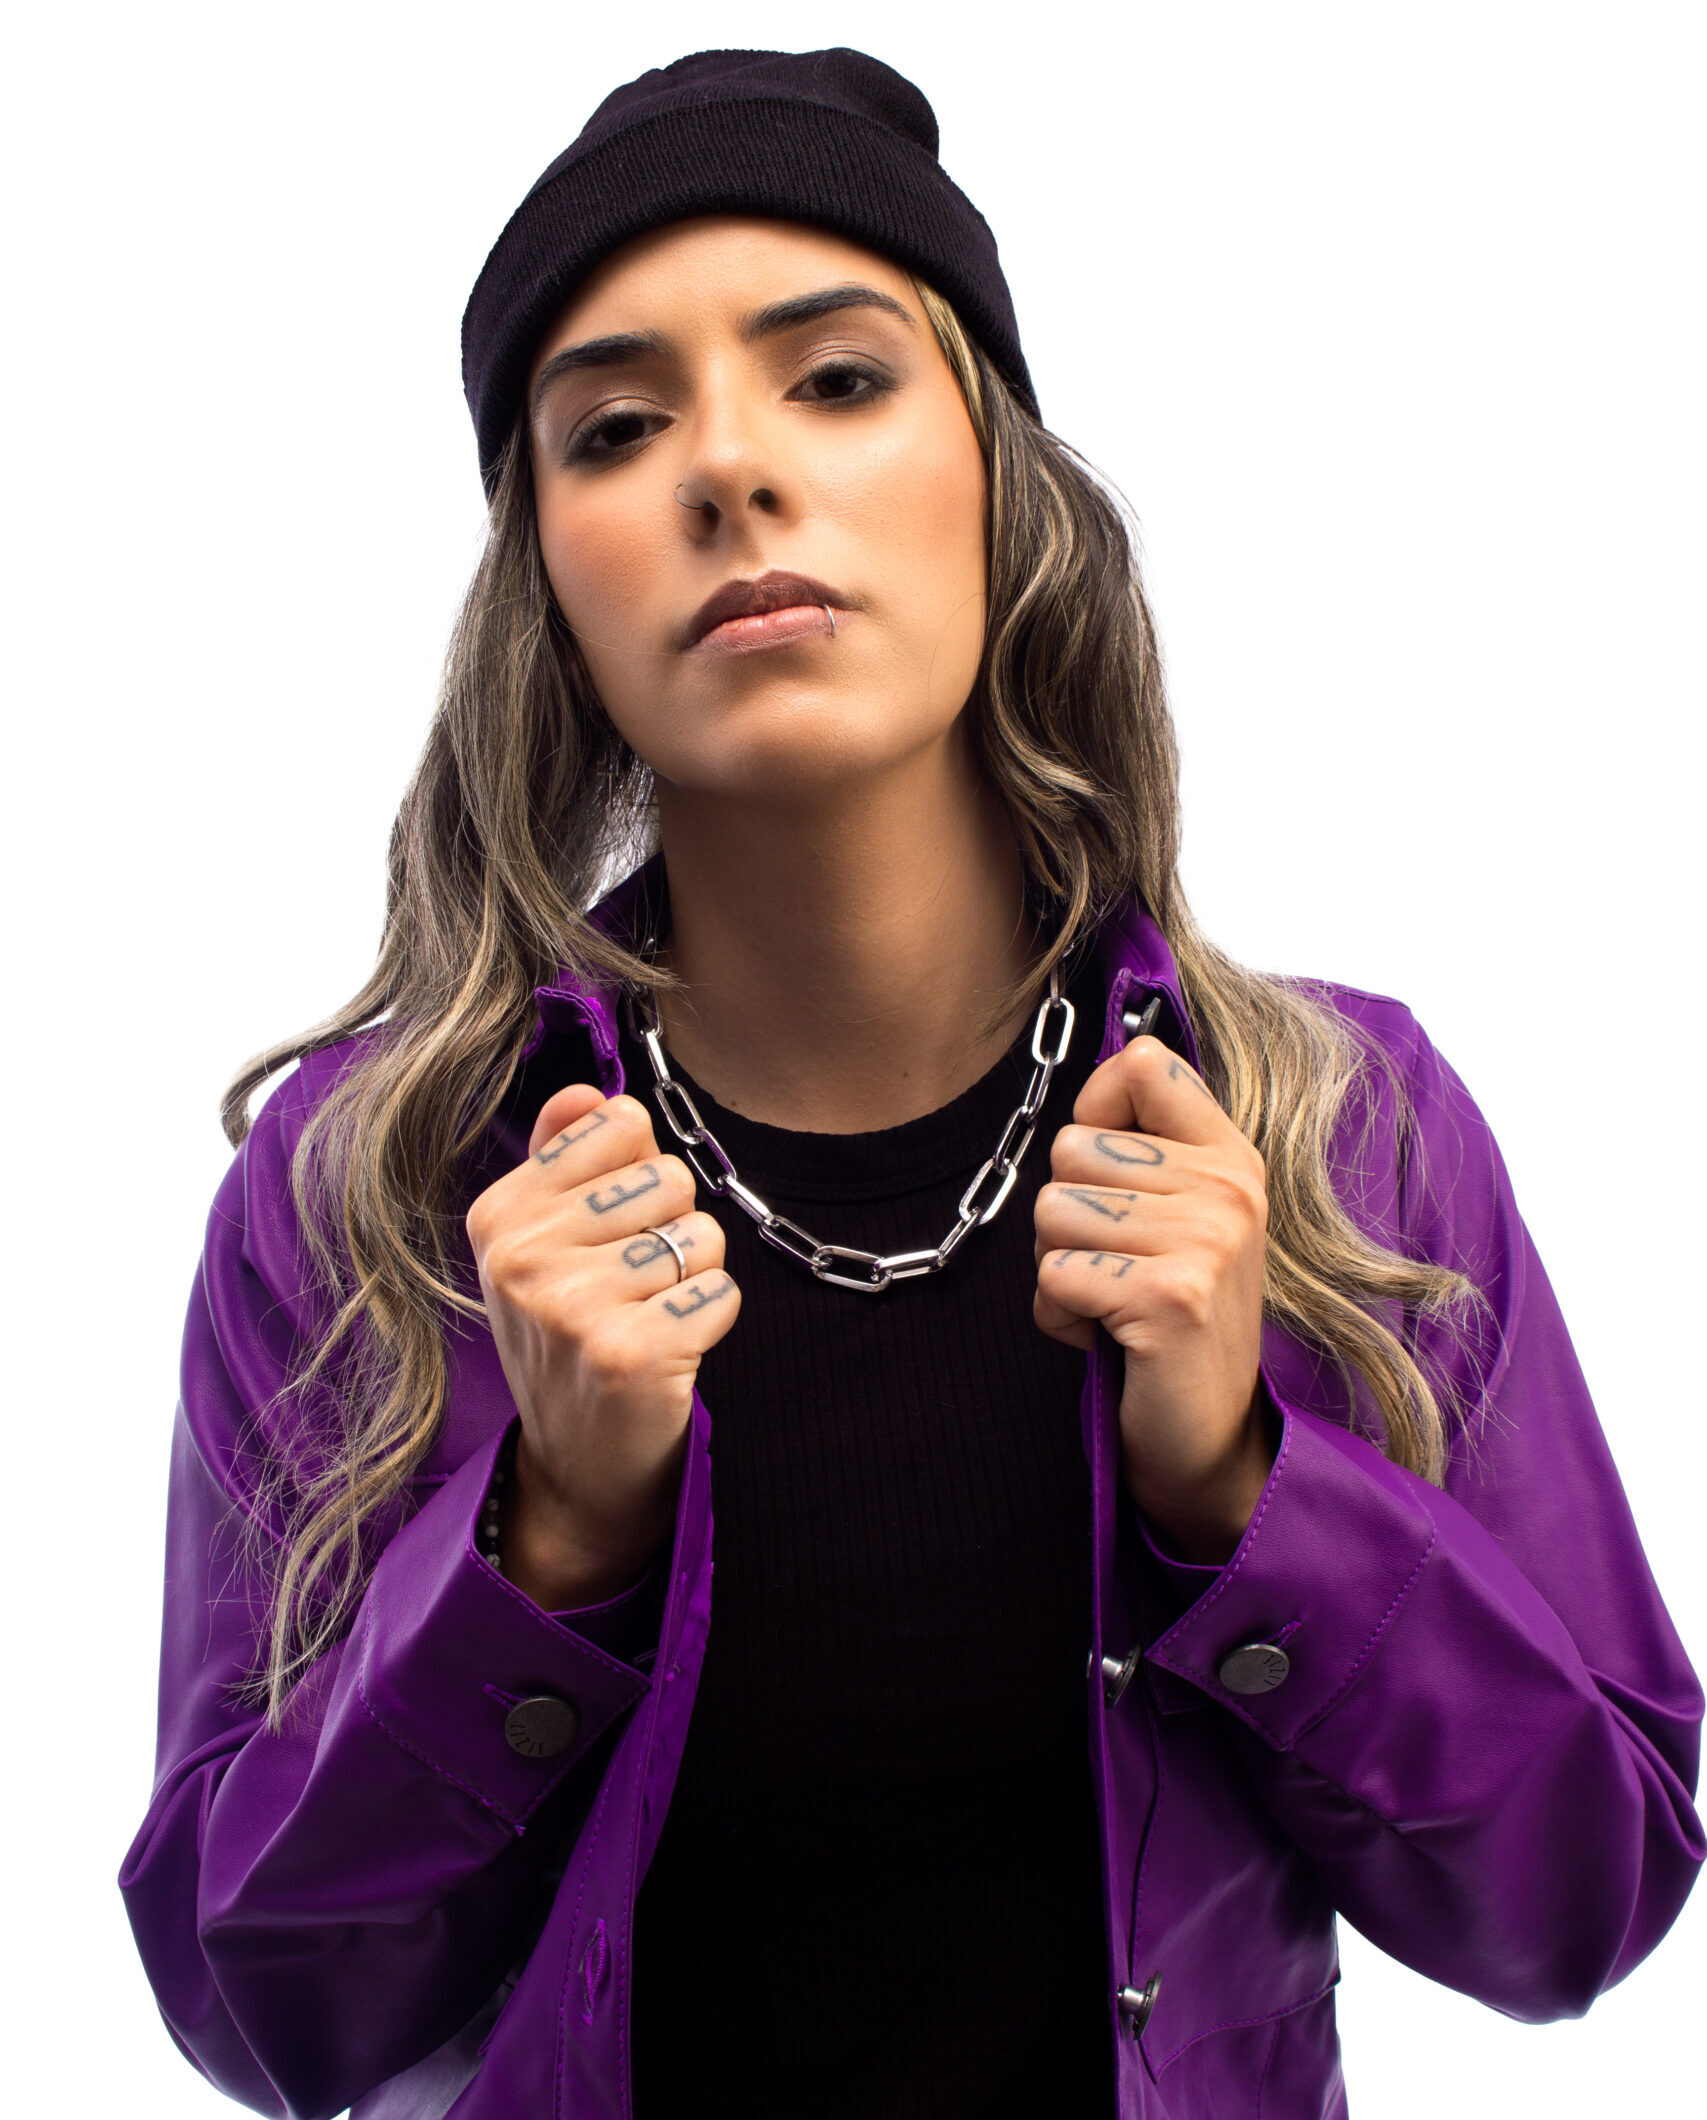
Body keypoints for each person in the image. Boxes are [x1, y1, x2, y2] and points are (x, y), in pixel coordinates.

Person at [119, 45, 1702, 2120]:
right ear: (552, 592)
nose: (727, 468)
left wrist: (1243, 1489)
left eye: (838, 378)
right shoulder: (369, 1191)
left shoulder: (1335, 1124)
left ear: (999, 487)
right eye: (616, 427)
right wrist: (548, 1546)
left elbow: (1579, 1901)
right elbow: (255, 2014)